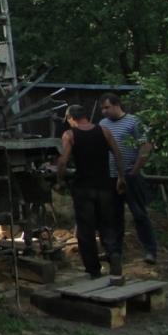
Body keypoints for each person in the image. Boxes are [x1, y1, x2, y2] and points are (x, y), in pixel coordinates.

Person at [56, 104, 127, 278]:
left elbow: (62, 161)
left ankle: (93, 269)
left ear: (71, 118)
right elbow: (117, 153)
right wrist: (121, 177)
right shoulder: (104, 131)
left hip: (83, 188)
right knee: (107, 223)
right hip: (105, 186)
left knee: (86, 229)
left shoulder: (70, 134)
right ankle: (113, 252)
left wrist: (59, 181)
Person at [99, 92, 158, 265]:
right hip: (111, 177)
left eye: (107, 107)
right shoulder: (103, 124)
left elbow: (147, 146)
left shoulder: (134, 122)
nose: (104, 111)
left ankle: (150, 251)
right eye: (102, 108)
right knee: (114, 216)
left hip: (131, 176)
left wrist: (134, 171)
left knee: (139, 215)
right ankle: (114, 252)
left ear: (117, 105)